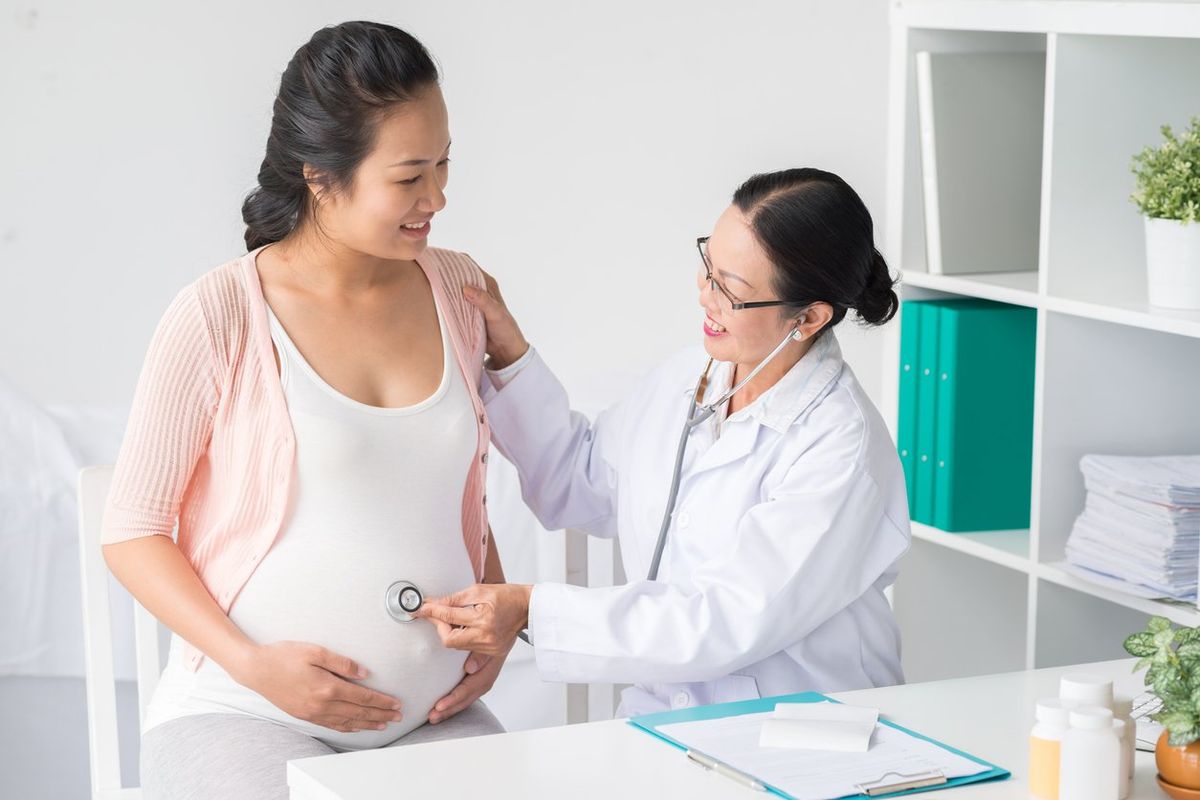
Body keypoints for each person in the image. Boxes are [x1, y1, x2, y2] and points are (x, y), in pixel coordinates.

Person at [100, 22, 507, 799]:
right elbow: (131, 531)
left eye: (445, 162)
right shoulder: (218, 312)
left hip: (434, 716)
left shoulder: (459, 289)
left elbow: (455, 485)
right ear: (320, 176)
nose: (438, 197)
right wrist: (253, 665)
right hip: (244, 710)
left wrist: (494, 614)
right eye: (410, 175)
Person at [418, 168, 912, 717]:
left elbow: (721, 620)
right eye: (708, 269)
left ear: (809, 317)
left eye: (732, 290)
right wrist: (509, 354)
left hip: (800, 729)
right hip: (670, 719)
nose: (705, 295)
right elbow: (579, 481)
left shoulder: (841, 447)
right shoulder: (693, 377)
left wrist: (532, 609)